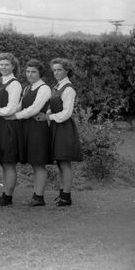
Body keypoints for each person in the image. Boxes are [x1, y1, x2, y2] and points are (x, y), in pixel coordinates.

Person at [35, 58, 82, 206]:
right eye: (54, 70)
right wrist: (45, 113)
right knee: (60, 163)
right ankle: (62, 194)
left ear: (66, 71)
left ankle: (66, 197)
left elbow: (66, 113)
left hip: (64, 128)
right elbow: (54, 106)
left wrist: (48, 117)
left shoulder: (68, 89)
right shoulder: (57, 86)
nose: (56, 72)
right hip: (56, 127)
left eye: (59, 70)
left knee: (65, 163)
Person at [6, 59, 51, 206]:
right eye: (28, 71)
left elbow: (34, 109)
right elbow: (19, 106)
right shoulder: (27, 88)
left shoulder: (44, 89)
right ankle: (36, 196)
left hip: (38, 129)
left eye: (33, 72)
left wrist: (15, 116)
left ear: (40, 73)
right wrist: (7, 113)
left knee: (38, 163)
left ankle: (39, 197)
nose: (30, 75)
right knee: (33, 163)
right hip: (26, 128)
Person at [0, 52, 23, 206]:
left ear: (13, 66)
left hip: (8, 126)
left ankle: (8, 197)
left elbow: (10, 109)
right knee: (3, 162)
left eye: (7, 64)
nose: (3, 67)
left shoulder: (15, 84)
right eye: (1, 64)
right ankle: (4, 194)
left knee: (9, 162)